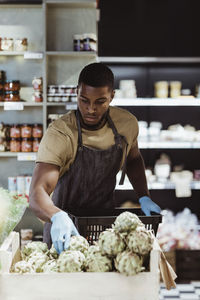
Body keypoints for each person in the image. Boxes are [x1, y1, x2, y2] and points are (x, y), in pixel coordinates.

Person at [29, 63, 161, 254]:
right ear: (76, 93)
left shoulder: (126, 124)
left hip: (105, 228)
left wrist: (144, 196)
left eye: (100, 101)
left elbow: (133, 159)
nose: (91, 109)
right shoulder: (61, 133)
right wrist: (56, 216)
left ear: (112, 97)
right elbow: (37, 192)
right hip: (66, 229)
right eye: (84, 100)